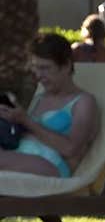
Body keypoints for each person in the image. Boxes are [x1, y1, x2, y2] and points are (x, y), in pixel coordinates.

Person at [0, 32, 98, 178]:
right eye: (35, 68)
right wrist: (12, 119)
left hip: (53, 166)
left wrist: (25, 120)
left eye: (44, 68)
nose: (38, 75)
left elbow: (71, 148)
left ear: (65, 65)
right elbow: (29, 132)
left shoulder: (83, 102)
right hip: (21, 156)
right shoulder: (40, 98)